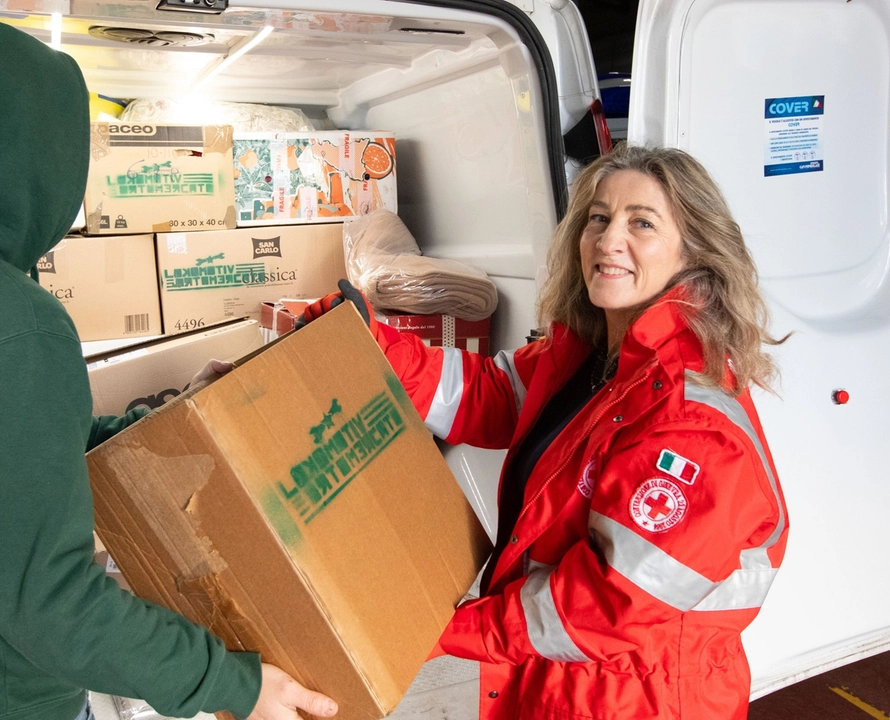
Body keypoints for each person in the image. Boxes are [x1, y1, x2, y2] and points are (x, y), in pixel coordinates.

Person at [0, 9, 335, 720]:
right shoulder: (8, 320)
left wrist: (159, 425)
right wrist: (235, 684)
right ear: (43, 156)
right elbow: (50, 607)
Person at [299, 144, 789, 719]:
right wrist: (368, 347)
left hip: (637, 700)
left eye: (643, 223)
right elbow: (487, 395)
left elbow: (607, 606)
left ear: (695, 251)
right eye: (599, 218)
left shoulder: (690, 422)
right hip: (557, 681)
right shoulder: (593, 356)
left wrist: (438, 629)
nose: (609, 240)